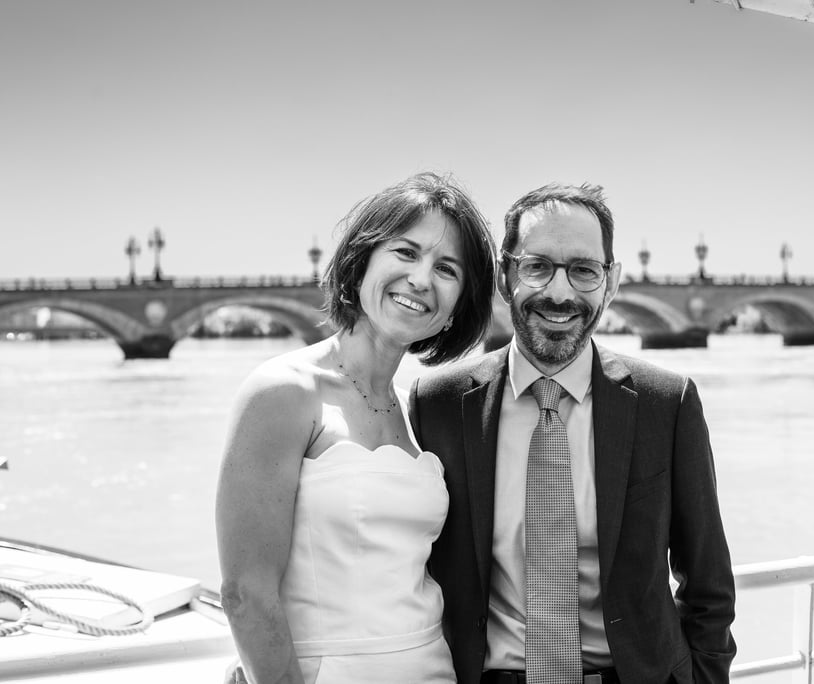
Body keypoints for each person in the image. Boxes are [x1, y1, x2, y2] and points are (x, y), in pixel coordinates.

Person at [409, 183, 736, 684]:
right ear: (504, 276)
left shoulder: (666, 404)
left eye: (583, 270)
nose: (560, 294)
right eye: (537, 266)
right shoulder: (437, 404)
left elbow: (708, 584)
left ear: (612, 282)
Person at [216, 172, 497, 684]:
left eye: (447, 269)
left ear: (459, 305)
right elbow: (245, 594)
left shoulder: (420, 410)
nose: (421, 279)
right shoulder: (284, 393)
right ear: (362, 257)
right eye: (406, 252)